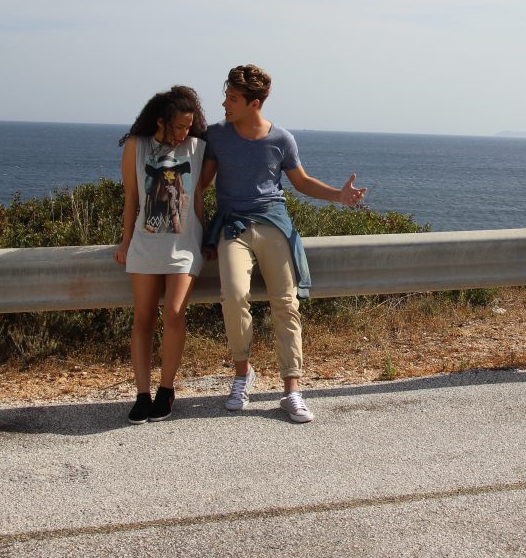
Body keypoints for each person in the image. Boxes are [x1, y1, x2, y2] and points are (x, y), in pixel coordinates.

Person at [195, 64, 367, 423]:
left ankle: (292, 390)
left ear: (254, 103)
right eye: (226, 96)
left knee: (286, 303)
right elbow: (202, 183)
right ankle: (243, 375)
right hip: (233, 226)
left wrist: (339, 196)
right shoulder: (217, 135)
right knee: (233, 295)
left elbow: (300, 182)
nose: (224, 104)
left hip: (273, 223)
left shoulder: (282, 139)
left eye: (232, 98)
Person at [114, 87, 208, 424]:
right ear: (160, 121)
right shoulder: (136, 146)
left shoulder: (196, 147)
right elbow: (131, 198)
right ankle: (142, 394)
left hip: (184, 246)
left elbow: (198, 196)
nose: (184, 133)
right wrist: (125, 242)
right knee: (143, 319)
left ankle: (166, 390)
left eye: (188, 127)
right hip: (146, 245)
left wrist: (206, 237)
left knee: (173, 313)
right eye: (179, 126)